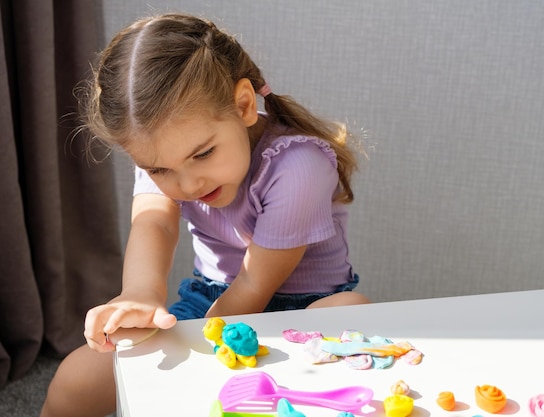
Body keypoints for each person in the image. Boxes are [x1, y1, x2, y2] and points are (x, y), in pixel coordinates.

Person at [40, 12, 370, 417]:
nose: (189, 185)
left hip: (300, 308)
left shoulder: (299, 166)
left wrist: (199, 351)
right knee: (76, 379)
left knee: (351, 308)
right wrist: (140, 294)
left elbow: (254, 284)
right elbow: (154, 222)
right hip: (210, 300)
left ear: (245, 105)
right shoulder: (164, 150)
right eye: (159, 170)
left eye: (203, 155)